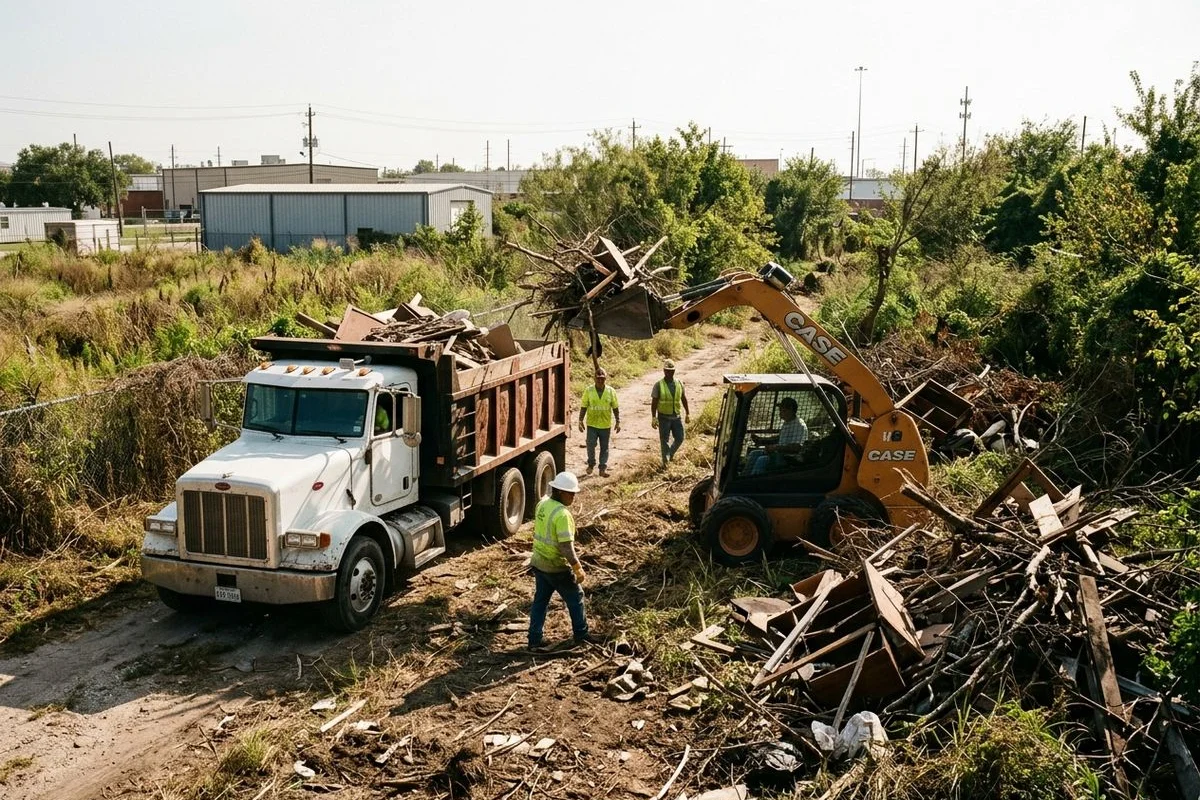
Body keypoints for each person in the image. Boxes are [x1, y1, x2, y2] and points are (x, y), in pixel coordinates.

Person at [528, 471, 593, 651]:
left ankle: (534, 639)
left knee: (540, 601)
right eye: (571, 493)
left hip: (539, 562)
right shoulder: (563, 514)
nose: (573, 497)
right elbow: (566, 548)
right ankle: (581, 634)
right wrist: (577, 567)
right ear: (560, 492)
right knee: (576, 598)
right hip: (556, 567)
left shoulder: (543, 504)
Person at [746, 397, 809, 475]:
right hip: (779, 454)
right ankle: (743, 477)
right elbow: (781, 438)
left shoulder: (799, 425)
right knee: (754, 453)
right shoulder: (787, 423)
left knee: (762, 460)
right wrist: (762, 440)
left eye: (782, 410)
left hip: (789, 458)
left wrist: (775, 448)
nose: (780, 413)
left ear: (791, 410)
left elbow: (797, 447)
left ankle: (753, 481)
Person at [578, 367, 620, 477]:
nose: (600, 381)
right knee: (590, 444)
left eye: (602, 379)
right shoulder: (589, 391)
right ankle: (591, 464)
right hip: (592, 424)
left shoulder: (611, 391)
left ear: (605, 379)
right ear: (594, 379)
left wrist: (618, 421)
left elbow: (615, 407)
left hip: (605, 425)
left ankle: (602, 468)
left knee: (604, 447)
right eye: (598, 379)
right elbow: (584, 406)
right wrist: (580, 420)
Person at [651, 359, 690, 469]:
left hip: (676, 416)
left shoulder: (679, 383)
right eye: (667, 370)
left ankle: (670, 454)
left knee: (680, 438)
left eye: (671, 371)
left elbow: (683, 398)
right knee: (665, 441)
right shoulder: (658, 385)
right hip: (663, 417)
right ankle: (666, 463)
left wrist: (687, 413)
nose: (669, 373)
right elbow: (654, 402)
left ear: (674, 371)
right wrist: (653, 417)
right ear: (664, 371)